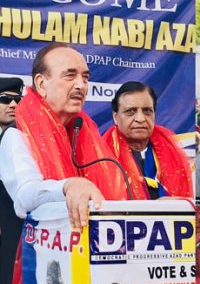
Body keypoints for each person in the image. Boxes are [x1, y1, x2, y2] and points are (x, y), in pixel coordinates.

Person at [0, 43, 128, 230]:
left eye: (85, 78)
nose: (81, 85)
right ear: (41, 84)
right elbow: (25, 196)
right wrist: (68, 186)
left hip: (86, 249)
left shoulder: (83, 131)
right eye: (70, 75)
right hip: (34, 252)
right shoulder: (17, 133)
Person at [103, 81, 193, 200]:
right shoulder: (102, 156)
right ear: (115, 117)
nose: (140, 119)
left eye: (147, 111)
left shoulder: (171, 151)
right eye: (130, 111)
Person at [0, 77, 24, 284]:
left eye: (18, 99)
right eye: (5, 99)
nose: (13, 104)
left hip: (14, 231)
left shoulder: (26, 140)